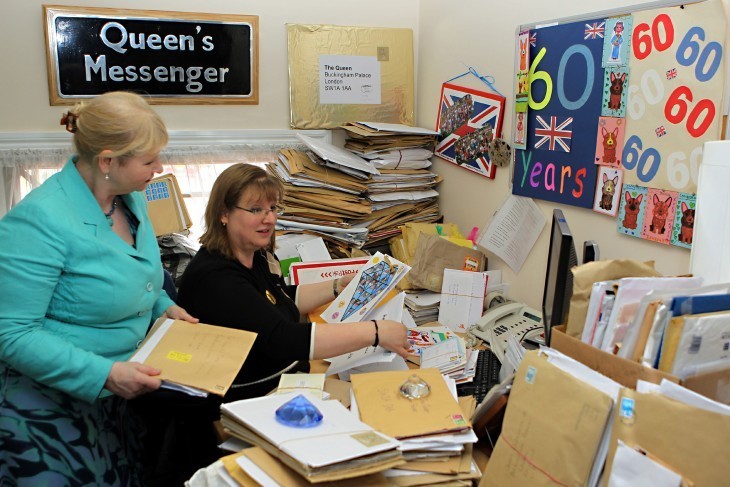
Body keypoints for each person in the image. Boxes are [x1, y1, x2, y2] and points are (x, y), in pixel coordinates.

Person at [0, 91, 196, 485]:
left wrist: (160, 304)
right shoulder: (39, 219)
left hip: (117, 399)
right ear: (108, 161)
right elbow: (12, 333)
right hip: (48, 404)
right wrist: (105, 373)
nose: (159, 167)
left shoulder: (129, 200)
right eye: (149, 160)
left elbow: (128, 271)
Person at [173, 163, 409, 474]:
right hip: (242, 407)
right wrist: (376, 332)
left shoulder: (250, 253)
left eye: (272, 207)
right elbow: (284, 338)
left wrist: (339, 285)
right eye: (256, 209)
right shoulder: (216, 278)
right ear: (224, 213)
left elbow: (280, 300)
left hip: (283, 388)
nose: (269, 218)